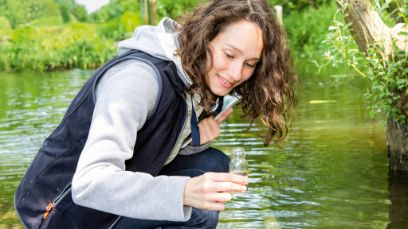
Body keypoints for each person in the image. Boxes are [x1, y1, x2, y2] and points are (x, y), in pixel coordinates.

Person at [14, 0, 296, 228]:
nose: (237, 74)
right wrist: (184, 192)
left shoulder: (191, 75)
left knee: (214, 163)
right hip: (59, 215)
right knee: (198, 208)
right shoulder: (137, 80)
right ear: (205, 37)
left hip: (102, 201)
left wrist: (193, 139)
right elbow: (90, 182)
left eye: (249, 64)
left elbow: (153, 148)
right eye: (230, 54)